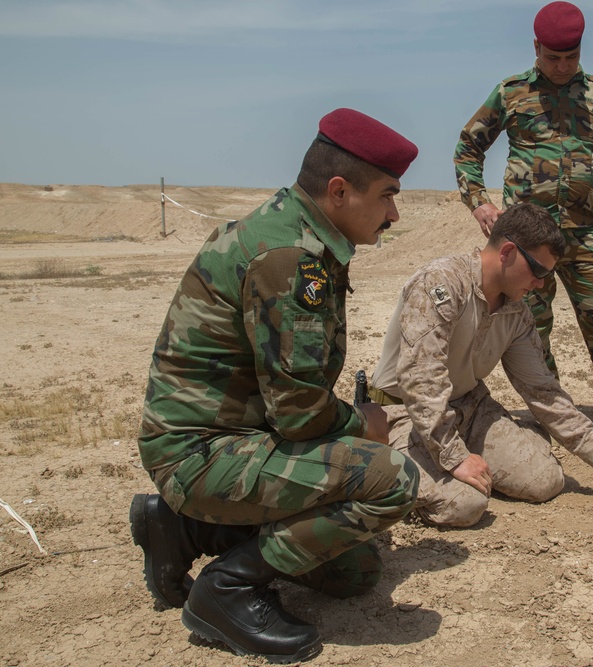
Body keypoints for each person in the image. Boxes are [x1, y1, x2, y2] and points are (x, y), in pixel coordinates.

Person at [130, 108, 421, 663]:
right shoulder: (292, 257)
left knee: (352, 572)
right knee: (392, 479)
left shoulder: (294, 231)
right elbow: (297, 413)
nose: (394, 214)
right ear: (339, 191)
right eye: (386, 196)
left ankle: (183, 528)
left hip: (234, 440)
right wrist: (365, 425)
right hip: (201, 454)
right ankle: (229, 588)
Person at [453, 1, 593, 448]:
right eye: (553, 58)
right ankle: (553, 413)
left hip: (583, 232)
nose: (563, 66)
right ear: (536, 48)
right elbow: (468, 148)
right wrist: (479, 203)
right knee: (533, 328)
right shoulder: (511, 92)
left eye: (571, 57)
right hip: (528, 235)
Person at [368, 203, 593, 528]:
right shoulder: (441, 283)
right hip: (406, 415)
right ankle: (381, 464)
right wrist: (455, 457)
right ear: (509, 252)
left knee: (546, 480)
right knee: (464, 505)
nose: (541, 284)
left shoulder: (517, 312)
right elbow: (421, 381)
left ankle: (487, 452)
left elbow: (542, 390)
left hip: (470, 409)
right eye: (539, 272)